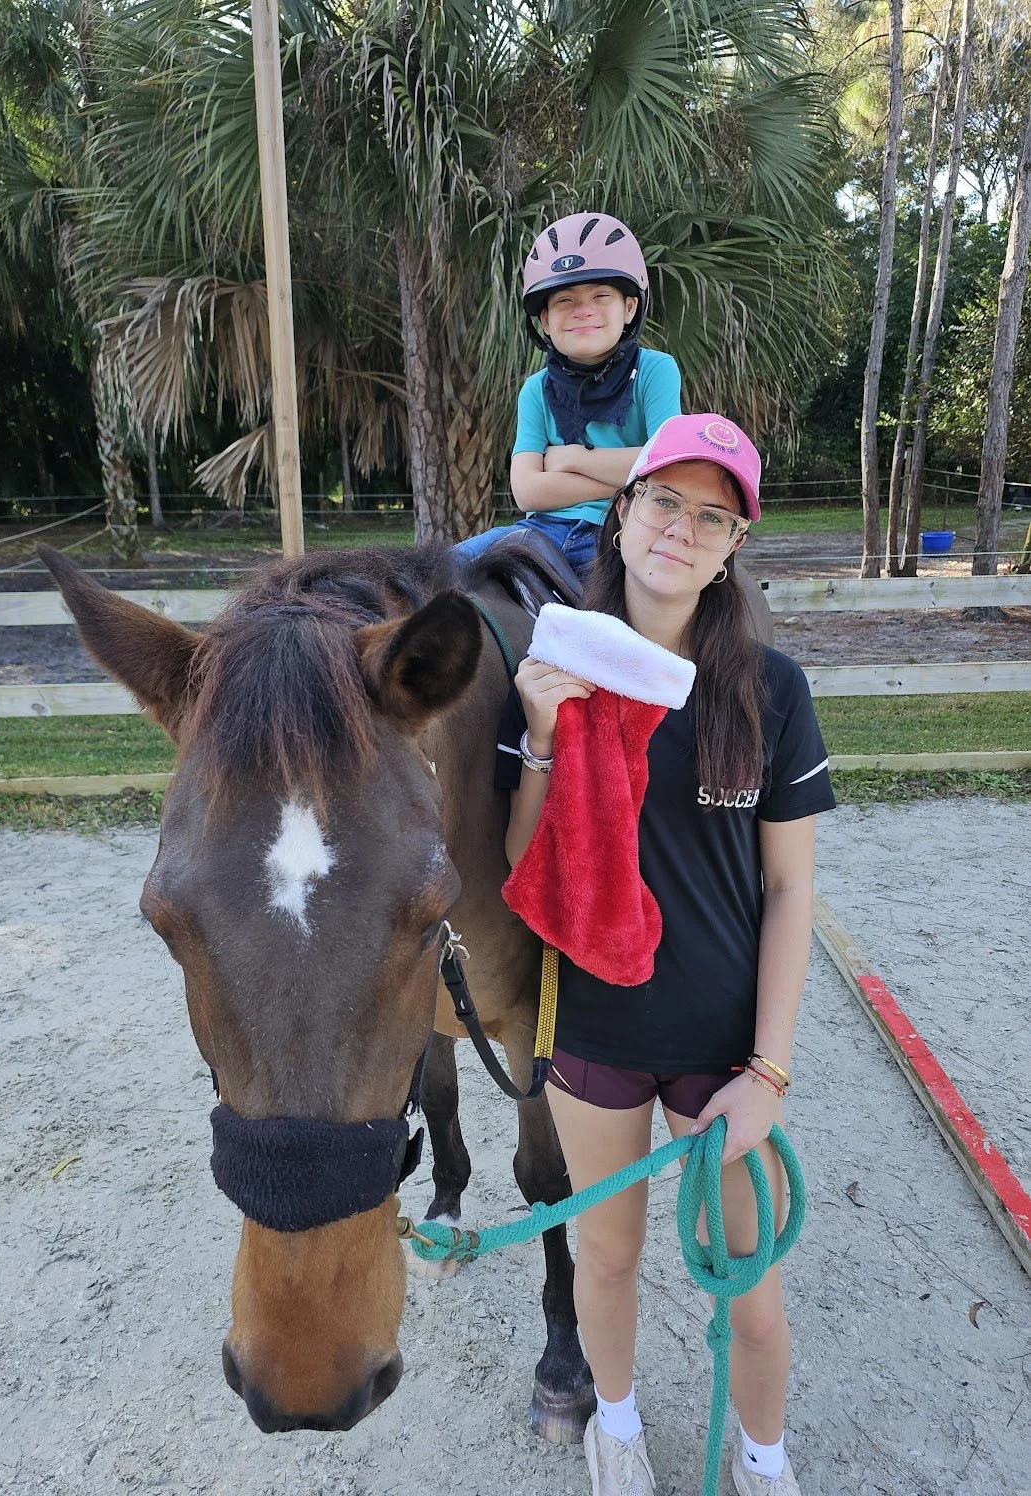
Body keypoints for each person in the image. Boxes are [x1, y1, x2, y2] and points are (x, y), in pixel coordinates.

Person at [497, 415, 835, 1496]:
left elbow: (790, 891)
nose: (681, 529)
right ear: (623, 514)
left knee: (750, 1286)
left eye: (711, 514)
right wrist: (543, 742)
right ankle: (619, 1423)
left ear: (735, 544)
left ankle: (765, 1456)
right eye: (663, 502)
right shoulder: (558, 668)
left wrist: (769, 1069)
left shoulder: (770, 691)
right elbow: (526, 872)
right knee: (607, 1256)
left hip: (720, 1046)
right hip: (594, 1024)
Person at [457, 212, 681, 573]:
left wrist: (570, 459)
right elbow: (528, 492)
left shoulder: (656, 371)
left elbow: (667, 469)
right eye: (565, 300)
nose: (583, 311)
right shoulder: (535, 390)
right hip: (539, 531)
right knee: (440, 568)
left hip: (624, 529)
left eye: (601, 295)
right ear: (545, 320)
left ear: (629, 307)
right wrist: (624, 478)